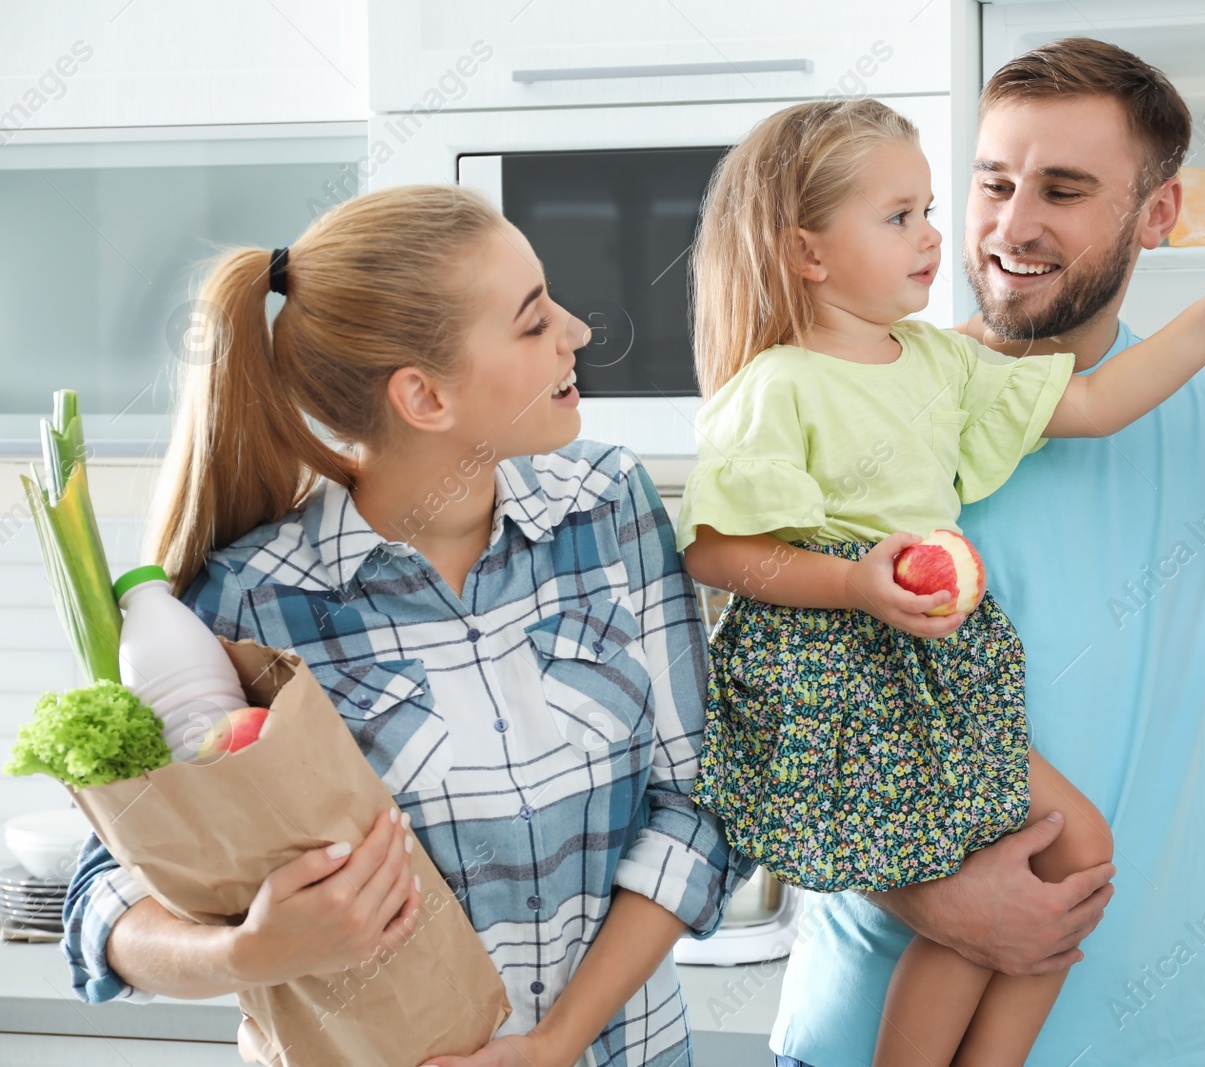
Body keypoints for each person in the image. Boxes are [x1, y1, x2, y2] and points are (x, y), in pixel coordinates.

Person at [772, 39, 1205, 1067]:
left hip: (1145, 1039)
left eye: (1065, 189)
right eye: (993, 182)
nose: (1012, 225)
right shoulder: (858, 404)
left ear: (1156, 215)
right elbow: (776, 724)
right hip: (858, 1032)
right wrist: (934, 896)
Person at [60, 185, 749, 1067]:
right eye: (535, 324)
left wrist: (553, 1044)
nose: (577, 331)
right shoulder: (251, 600)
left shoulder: (611, 506)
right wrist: (252, 950)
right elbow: (103, 903)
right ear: (424, 397)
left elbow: (699, 806)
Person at [677, 98, 1205, 1067]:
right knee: (973, 889)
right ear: (807, 253)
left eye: (930, 207)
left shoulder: (939, 362)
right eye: (898, 216)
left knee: (1073, 850)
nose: (938, 235)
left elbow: (1099, 400)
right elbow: (719, 552)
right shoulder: (777, 386)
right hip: (846, 670)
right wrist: (854, 583)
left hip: (942, 660)